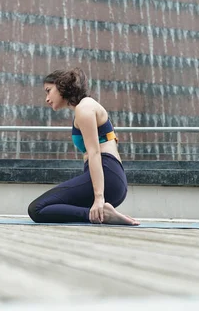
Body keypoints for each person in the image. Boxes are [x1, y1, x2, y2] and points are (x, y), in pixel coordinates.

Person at [28, 68, 139, 225]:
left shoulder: (84, 108)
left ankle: (103, 214)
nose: (47, 98)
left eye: (48, 91)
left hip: (107, 178)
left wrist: (99, 197)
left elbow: (94, 153)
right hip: (111, 180)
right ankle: (102, 214)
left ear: (61, 85)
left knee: (37, 209)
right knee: (48, 208)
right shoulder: (85, 107)